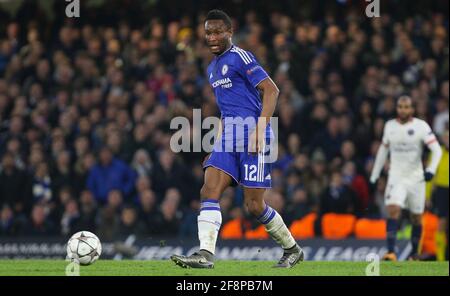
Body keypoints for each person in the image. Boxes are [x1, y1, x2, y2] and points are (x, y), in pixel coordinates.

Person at [171, 10, 303, 269]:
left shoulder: (241, 57)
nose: (212, 37)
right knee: (208, 188)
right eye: (208, 32)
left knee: (254, 206)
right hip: (228, 137)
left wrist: (259, 129)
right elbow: (227, 109)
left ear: (229, 33)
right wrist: (216, 143)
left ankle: (292, 248)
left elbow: (272, 90)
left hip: (255, 135)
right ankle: (205, 254)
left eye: (218, 31)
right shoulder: (211, 69)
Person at [370, 96, 442, 261]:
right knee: (393, 210)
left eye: (406, 107)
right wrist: (375, 174)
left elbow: (436, 150)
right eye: (400, 107)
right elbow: (383, 150)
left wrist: (430, 169)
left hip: (416, 178)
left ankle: (414, 254)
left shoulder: (421, 126)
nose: (403, 110)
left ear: (412, 109)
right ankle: (391, 252)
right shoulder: (390, 126)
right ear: (397, 108)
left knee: (416, 217)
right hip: (396, 177)